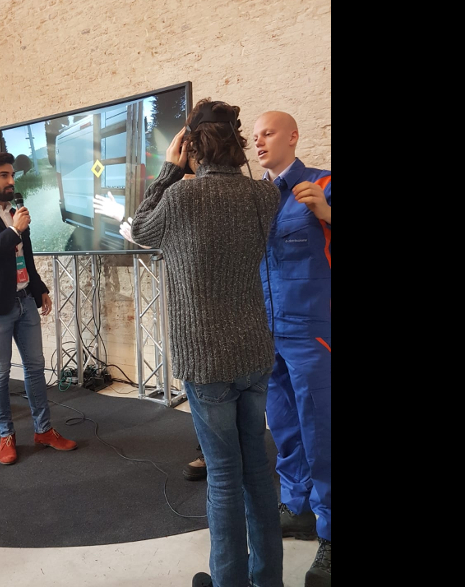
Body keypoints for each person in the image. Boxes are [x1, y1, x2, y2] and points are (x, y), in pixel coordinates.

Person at [130, 99, 282, 587]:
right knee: (257, 471)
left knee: (223, 476)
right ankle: (268, 579)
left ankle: (229, 581)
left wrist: (169, 170)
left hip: (206, 358)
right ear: (237, 143)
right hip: (254, 352)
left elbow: (137, 229)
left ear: (191, 145)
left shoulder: (181, 197)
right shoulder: (264, 195)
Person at [253, 111, 332, 587]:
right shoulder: (256, 198)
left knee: (321, 430)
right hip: (269, 332)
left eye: (268, 133)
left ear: (293, 136)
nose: (258, 141)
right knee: (283, 425)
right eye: (255, 136)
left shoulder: (323, 183)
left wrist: (327, 213)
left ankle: (331, 531)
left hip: (312, 332)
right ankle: (298, 505)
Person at [0, 150, 78, 465]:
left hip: (25, 300)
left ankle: (44, 430)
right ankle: (6, 435)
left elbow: (25, 257)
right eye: (4, 175)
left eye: (12, 174)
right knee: (0, 373)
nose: (11, 181)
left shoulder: (15, 211)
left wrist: (40, 290)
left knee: (36, 368)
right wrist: (13, 230)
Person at [93, 184, 209, 483]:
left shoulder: (190, 196)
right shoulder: (182, 198)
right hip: (197, 319)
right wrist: (125, 218)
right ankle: (213, 453)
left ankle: (216, 457)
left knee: (212, 396)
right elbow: (151, 236)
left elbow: (150, 234)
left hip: (210, 322)